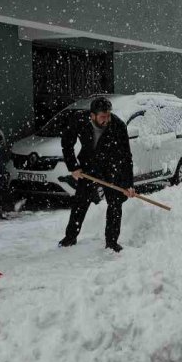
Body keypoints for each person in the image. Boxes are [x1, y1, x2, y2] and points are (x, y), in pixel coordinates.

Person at [58, 96, 135, 252]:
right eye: (102, 117)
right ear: (92, 115)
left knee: (115, 204)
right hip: (89, 165)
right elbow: (67, 142)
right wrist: (73, 167)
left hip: (111, 167)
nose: (106, 120)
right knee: (80, 202)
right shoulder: (80, 120)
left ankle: (112, 242)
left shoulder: (118, 126)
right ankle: (70, 237)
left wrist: (128, 184)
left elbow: (126, 156)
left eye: (108, 115)